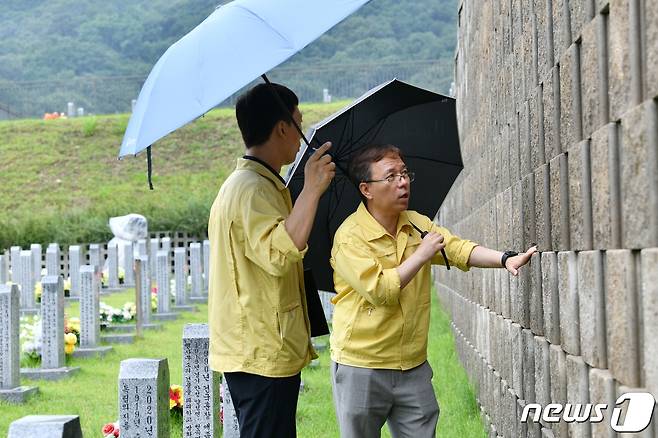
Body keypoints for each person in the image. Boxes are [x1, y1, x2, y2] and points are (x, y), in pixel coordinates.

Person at [329, 144, 536, 438]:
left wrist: (505, 259)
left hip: (412, 365)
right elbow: (380, 290)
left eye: (404, 173)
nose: (402, 182)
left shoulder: (417, 224)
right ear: (366, 189)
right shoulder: (349, 237)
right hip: (362, 365)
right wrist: (422, 254)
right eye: (390, 177)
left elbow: (456, 249)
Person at [207, 82, 335, 438]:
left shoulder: (258, 184)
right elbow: (281, 253)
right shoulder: (251, 189)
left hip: (261, 341)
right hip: (260, 347)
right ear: (282, 127)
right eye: (298, 122)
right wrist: (311, 189)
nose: (300, 134)